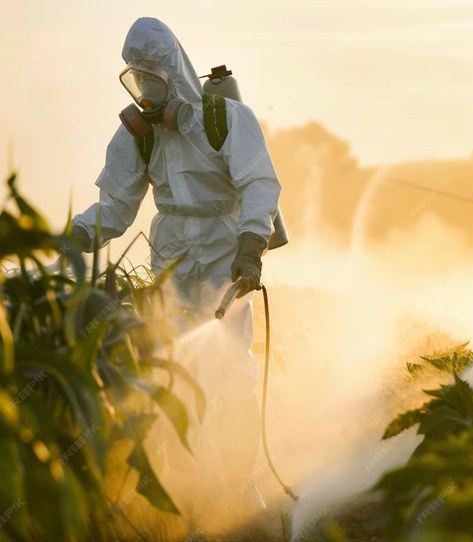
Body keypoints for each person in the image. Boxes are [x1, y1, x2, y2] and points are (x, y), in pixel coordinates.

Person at [70, 17, 284, 511]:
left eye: (153, 79)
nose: (145, 92)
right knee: (164, 363)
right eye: (136, 79)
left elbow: (259, 184)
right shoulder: (139, 136)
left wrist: (250, 247)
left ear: (173, 73)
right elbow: (117, 205)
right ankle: (174, 482)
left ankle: (236, 483)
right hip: (169, 257)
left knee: (229, 365)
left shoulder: (226, 120)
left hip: (224, 252)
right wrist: (78, 232)